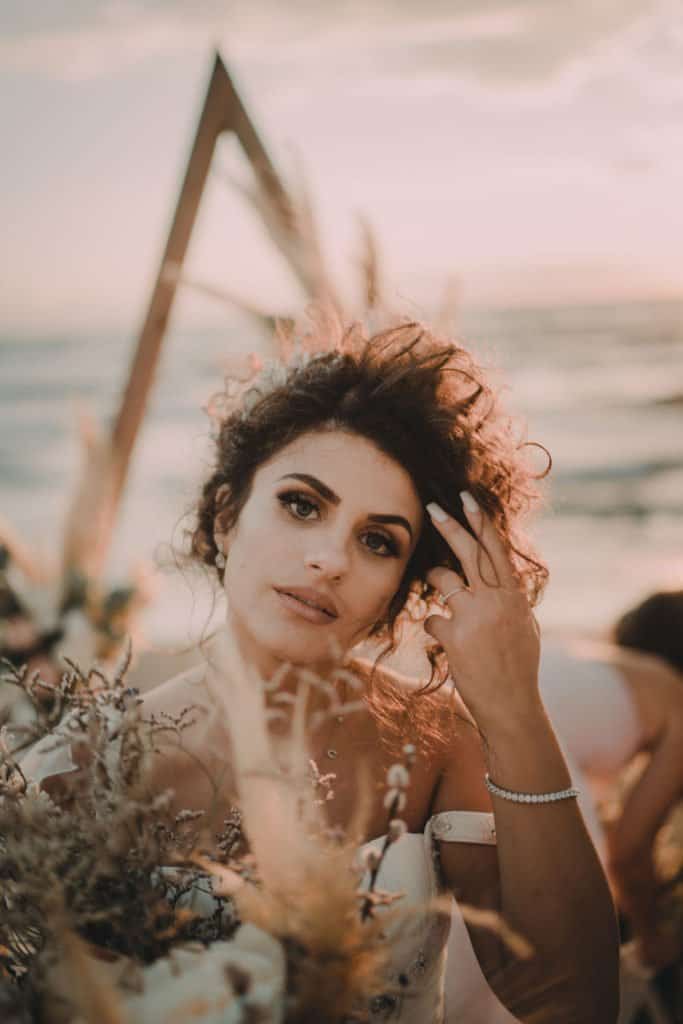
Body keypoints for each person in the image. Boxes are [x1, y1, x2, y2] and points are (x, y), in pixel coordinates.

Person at [22, 320, 620, 1023]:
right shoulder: (83, 765)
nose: (330, 559)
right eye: (301, 505)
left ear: (399, 591)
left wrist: (512, 701)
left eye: (377, 540)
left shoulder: (433, 748)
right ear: (225, 517)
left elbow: (575, 1002)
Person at [537, 590, 683, 974]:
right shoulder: (676, 697)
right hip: (530, 764)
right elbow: (629, 851)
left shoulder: (583, 655)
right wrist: (654, 938)